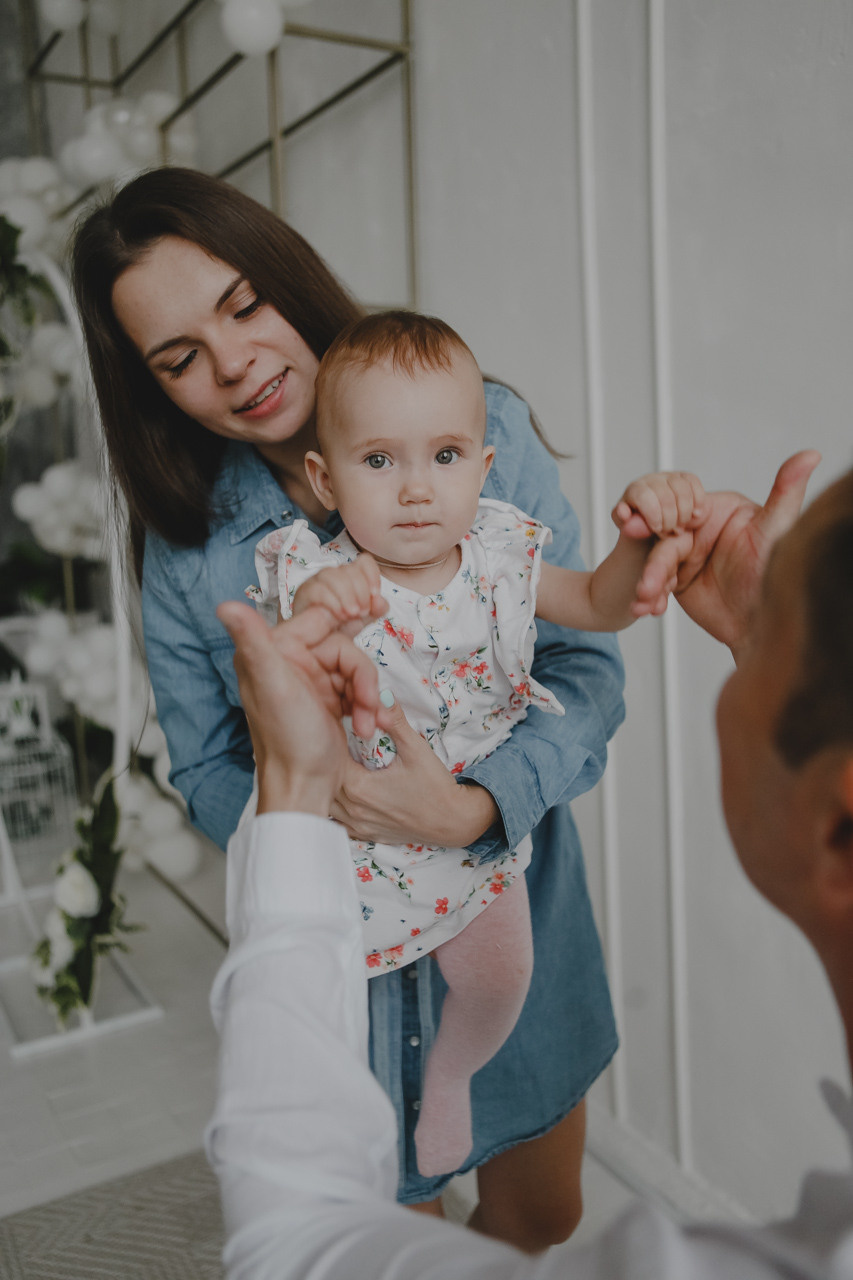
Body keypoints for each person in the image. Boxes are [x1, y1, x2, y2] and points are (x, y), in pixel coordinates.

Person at [72, 166, 627, 1245]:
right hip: (346, 951)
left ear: (287, 275)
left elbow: (585, 667)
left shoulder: (480, 423)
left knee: (541, 1215)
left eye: (244, 305)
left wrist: (470, 808)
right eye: (179, 358)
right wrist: (329, 823)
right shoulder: (190, 549)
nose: (234, 364)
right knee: (383, 1234)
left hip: (514, 903)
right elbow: (204, 767)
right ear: (150, 386)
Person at [206, 448, 853, 1278]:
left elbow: (291, 1249)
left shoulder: (496, 551)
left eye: (759, 653)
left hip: (467, 862)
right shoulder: (316, 567)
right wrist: (764, 624)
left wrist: (293, 785)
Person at [246, 309, 703, 1176]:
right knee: (326, 998)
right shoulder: (323, 576)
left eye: (445, 456)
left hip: (471, 824)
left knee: (501, 976)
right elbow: (291, 671)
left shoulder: (498, 557)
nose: (416, 489)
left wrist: (637, 544)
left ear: (484, 468)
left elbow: (596, 605)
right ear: (325, 479)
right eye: (379, 461)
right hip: (361, 839)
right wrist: (314, 614)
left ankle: (452, 1076)